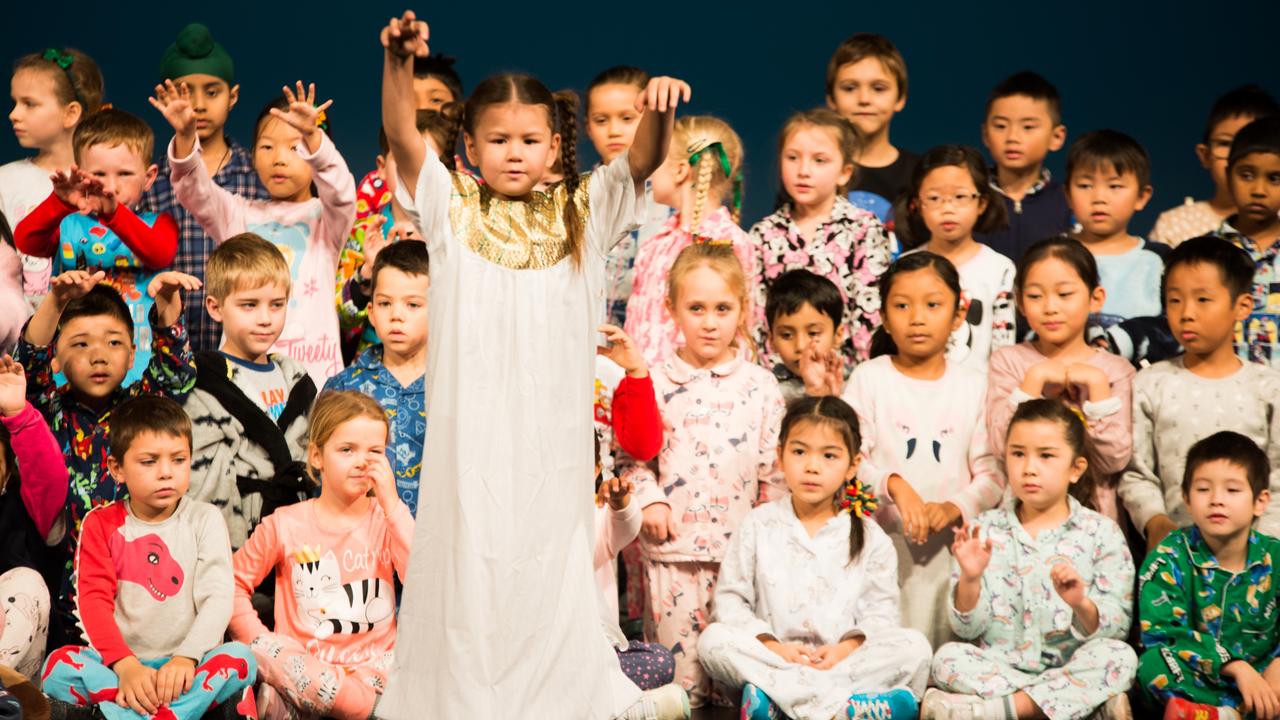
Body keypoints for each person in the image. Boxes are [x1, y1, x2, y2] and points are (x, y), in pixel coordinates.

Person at [376, 12, 691, 719]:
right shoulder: (452, 205)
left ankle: (552, 694)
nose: (513, 153)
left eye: (528, 140)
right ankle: (464, 696)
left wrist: (659, 113)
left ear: (554, 144)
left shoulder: (584, 208)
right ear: (468, 144)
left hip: (549, 437)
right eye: (497, 139)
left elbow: (639, 161)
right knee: (470, 563)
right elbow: (402, 136)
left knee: (547, 566)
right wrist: (398, 64)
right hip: (471, 432)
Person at [615, 242, 785, 709]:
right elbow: (630, 456)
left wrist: (769, 542)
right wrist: (650, 500)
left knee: (736, 688)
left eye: (722, 309)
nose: (710, 322)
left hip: (740, 563)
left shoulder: (760, 386)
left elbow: (775, 474)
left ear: (742, 310)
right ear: (671, 309)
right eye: (696, 308)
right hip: (674, 556)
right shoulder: (654, 380)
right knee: (683, 689)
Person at [699, 396, 931, 720]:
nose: (812, 466)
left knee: (915, 647)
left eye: (829, 455)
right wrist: (773, 647)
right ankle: (845, 711)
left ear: (853, 465)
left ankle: (780, 706)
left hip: (841, 663)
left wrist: (844, 651)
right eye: (799, 451)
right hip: (777, 659)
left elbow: (882, 615)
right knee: (713, 641)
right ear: (780, 455)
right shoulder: (757, 524)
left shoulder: (871, 537)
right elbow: (730, 603)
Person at [41, 395, 257, 720]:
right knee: (56, 667)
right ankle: (164, 711)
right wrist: (125, 666)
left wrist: (187, 658)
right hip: (122, 668)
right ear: (117, 468)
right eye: (149, 461)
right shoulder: (101, 524)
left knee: (241, 658)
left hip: (187, 668)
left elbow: (217, 599)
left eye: (179, 459)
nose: (166, 473)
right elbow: (94, 602)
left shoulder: (205, 519)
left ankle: (125, 714)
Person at [923, 399, 1136, 720]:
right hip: (1003, 668)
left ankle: (995, 712)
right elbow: (966, 630)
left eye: (1046, 455)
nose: (1029, 468)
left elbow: (1116, 627)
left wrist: (1081, 603)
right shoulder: (986, 529)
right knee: (947, 658)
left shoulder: (1102, 532)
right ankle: (1078, 709)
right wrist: (970, 578)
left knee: (1119, 657)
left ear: (1076, 468)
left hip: (1072, 665)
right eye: (1018, 454)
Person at [15, 270, 196, 648]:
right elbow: (30, 365)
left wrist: (165, 304)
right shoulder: (50, 411)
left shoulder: (141, 410)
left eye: (113, 343)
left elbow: (175, 375)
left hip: (143, 594)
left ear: (132, 355)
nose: (98, 355)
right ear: (57, 356)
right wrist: (55, 302)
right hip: (69, 590)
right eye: (80, 345)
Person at [842, 252, 1003, 648]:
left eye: (933, 305)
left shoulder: (975, 384)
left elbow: (992, 474)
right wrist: (894, 484)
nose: (917, 317)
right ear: (882, 314)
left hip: (953, 550)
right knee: (885, 644)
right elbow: (848, 460)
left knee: (946, 646)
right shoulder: (869, 378)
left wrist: (953, 507)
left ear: (958, 312)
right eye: (902, 305)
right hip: (881, 546)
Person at [152, 79, 357, 386]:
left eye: (296, 147)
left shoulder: (325, 218)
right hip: (244, 379)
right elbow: (195, 190)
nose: (279, 158)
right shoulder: (239, 214)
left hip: (313, 376)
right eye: (267, 146)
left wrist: (314, 138)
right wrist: (185, 136)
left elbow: (341, 192)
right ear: (253, 154)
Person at [230, 391, 412, 720]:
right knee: (271, 654)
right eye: (347, 450)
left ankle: (348, 704)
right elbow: (231, 584)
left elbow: (422, 579)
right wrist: (257, 638)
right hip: (306, 671)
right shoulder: (285, 524)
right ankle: (341, 706)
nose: (362, 462)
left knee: (408, 660)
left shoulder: (389, 518)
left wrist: (394, 505)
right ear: (316, 456)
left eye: (375, 452)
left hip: (374, 669)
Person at [1119, 237, 1280, 553]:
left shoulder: (1267, 386)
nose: (1186, 313)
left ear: (1242, 306)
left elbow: (1277, 477)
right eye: (1175, 300)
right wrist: (1154, 520)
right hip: (1175, 562)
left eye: (1203, 300)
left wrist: (1266, 546)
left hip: (1253, 563)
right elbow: (1138, 473)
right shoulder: (1151, 382)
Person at [14, 108, 178, 386]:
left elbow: (160, 254)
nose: (111, 186)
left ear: (149, 177)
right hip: (73, 366)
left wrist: (113, 213)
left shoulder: (158, 223)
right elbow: (26, 240)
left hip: (138, 365)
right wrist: (60, 203)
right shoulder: (69, 223)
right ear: (80, 174)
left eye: (125, 173)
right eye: (99, 174)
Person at [140, 23, 268, 353]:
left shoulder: (256, 175)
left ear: (233, 96)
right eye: (185, 92)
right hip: (171, 341)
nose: (197, 105)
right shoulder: (152, 182)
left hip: (240, 341)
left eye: (212, 92)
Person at [987, 236, 1134, 519]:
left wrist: (1098, 389)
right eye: (1034, 296)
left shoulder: (1115, 371)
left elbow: (1112, 460)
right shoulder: (1008, 362)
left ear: (1096, 298)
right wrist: (1033, 382)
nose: (1050, 307)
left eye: (1064, 294)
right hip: (1021, 524)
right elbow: (1000, 446)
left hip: (1093, 526)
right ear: (1019, 302)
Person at [1137, 432, 1280, 720]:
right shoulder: (1169, 556)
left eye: (1232, 490)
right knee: (1151, 665)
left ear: (1260, 501)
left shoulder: (1274, 558)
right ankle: (1225, 715)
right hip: (1196, 677)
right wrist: (1235, 666)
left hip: (1264, 679)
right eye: (1203, 490)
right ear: (1187, 500)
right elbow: (1161, 633)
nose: (1216, 500)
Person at [184, 235, 315, 548]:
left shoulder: (297, 381)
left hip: (301, 542)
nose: (265, 319)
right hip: (238, 544)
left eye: (277, 305)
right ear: (215, 307)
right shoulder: (202, 384)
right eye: (249, 305)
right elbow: (203, 484)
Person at [749, 108, 890, 371]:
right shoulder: (763, 234)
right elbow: (756, 318)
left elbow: (870, 316)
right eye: (792, 158)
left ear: (845, 172)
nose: (803, 170)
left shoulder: (863, 229)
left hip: (843, 378)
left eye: (819, 160)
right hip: (776, 378)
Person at [624, 114, 755, 367]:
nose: (651, 173)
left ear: (681, 170)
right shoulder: (659, 241)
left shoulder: (729, 243)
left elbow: (741, 332)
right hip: (643, 385)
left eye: (658, 162)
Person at [324, 240, 429, 516]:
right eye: (385, 303)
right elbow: (321, 473)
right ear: (370, 312)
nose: (396, 315)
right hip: (358, 546)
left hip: (432, 543)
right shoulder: (345, 388)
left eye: (413, 305)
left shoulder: (455, 388)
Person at [895, 145, 1014, 371]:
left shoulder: (999, 268)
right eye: (934, 198)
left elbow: (1003, 344)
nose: (947, 208)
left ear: (982, 203)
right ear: (918, 205)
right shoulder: (905, 267)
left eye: (960, 197)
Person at [1, 47, 103, 307]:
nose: (14, 114)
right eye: (15, 102)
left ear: (70, 113)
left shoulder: (104, 181)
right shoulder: (6, 181)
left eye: (29, 103)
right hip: (22, 337)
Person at [586, 65, 672, 328]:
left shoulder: (671, 203)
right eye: (602, 120)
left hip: (653, 350)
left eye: (627, 118)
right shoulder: (578, 196)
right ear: (588, 127)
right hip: (592, 344)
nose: (614, 130)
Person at [0, 354, 66, 680]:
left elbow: (49, 478)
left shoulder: (22, 510)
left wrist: (19, 415)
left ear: (6, 471)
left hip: (19, 679)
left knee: (26, 584)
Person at [1149, 86, 1278, 248]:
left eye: (1251, 145)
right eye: (1225, 143)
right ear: (1205, 155)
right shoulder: (1174, 225)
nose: (1235, 155)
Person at [1064, 130, 1165, 327]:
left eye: (1115, 186)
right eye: (1085, 186)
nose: (1099, 198)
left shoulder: (1158, 260)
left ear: (1142, 197)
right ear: (1067, 194)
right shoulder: (1051, 256)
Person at [974, 72, 1072, 265]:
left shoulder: (1069, 202)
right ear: (985, 134)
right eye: (1001, 126)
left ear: (1056, 137)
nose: (1012, 137)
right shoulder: (969, 198)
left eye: (1027, 127)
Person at [824, 33, 916, 224]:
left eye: (879, 88)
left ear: (900, 98)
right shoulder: (811, 170)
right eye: (849, 88)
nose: (864, 99)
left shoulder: (919, 175)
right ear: (831, 99)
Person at [1211, 117, 1280, 368]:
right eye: (1247, 175)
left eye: (1274, 178)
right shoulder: (1208, 251)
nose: (1259, 190)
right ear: (1229, 175)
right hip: (1225, 395)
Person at [764, 269, 847, 402]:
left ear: (837, 335)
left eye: (813, 333)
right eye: (787, 335)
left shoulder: (854, 387)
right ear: (772, 340)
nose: (801, 346)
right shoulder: (766, 391)